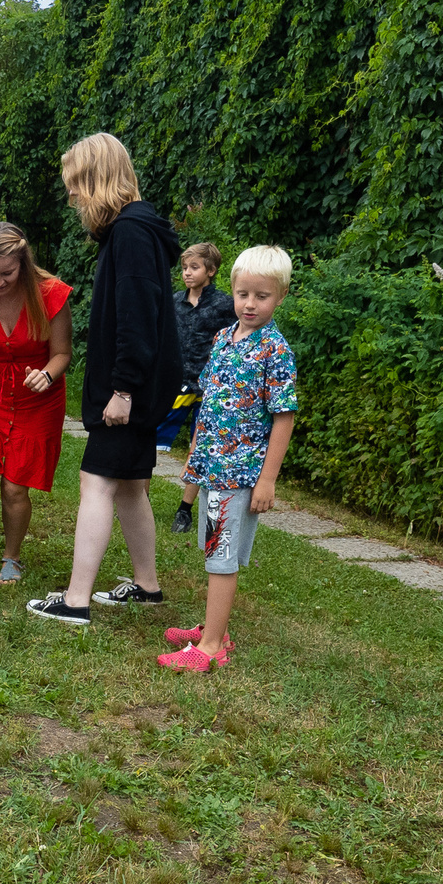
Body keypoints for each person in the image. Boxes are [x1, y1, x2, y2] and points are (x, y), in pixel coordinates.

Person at [27, 133, 182, 626]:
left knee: (96, 481)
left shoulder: (132, 232)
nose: (72, 195)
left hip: (131, 389)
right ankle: (146, 585)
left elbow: (137, 316)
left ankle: (75, 601)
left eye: (75, 183)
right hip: (143, 385)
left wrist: (122, 390)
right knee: (133, 485)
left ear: (96, 179)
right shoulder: (135, 228)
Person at [162, 245, 300, 670]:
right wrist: (196, 459)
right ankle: (211, 628)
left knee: (221, 556)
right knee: (214, 549)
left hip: (240, 473)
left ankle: (211, 647)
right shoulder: (225, 337)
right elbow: (211, 398)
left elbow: (284, 417)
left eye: (262, 296)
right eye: (243, 294)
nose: (250, 304)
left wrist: (268, 480)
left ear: (281, 296)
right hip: (212, 467)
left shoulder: (274, 350)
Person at [0, 223, 72, 585]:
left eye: (7, 272)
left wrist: (47, 375)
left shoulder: (50, 293)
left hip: (38, 399)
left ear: (23, 262)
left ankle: (13, 555)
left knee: (15, 486)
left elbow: (62, 353)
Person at [164, 241, 235, 533]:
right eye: (184, 268)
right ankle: (137, 498)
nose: (187, 273)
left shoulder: (225, 305)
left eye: (194, 267)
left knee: (201, 446)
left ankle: (185, 510)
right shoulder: (173, 301)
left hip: (208, 390)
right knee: (149, 437)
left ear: (211, 270)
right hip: (175, 386)